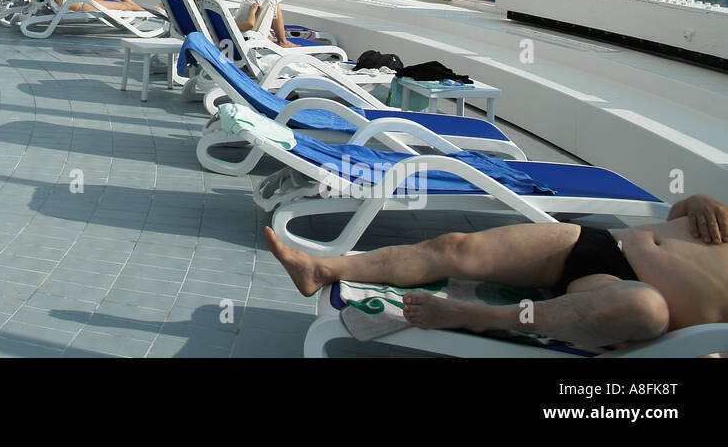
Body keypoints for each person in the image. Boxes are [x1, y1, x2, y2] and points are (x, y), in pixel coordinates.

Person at [265, 193, 728, 350]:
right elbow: (679, 212)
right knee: (456, 246)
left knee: (643, 308)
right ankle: (321, 269)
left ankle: (479, 317)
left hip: (625, 292)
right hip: (603, 243)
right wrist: (698, 201)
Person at [234, 0, 301, 49]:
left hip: (240, 35)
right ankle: (283, 42)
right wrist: (252, 12)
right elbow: (249, 24)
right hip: (251, 41)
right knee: (272, 1)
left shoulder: (224, 23)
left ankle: (268, 36)